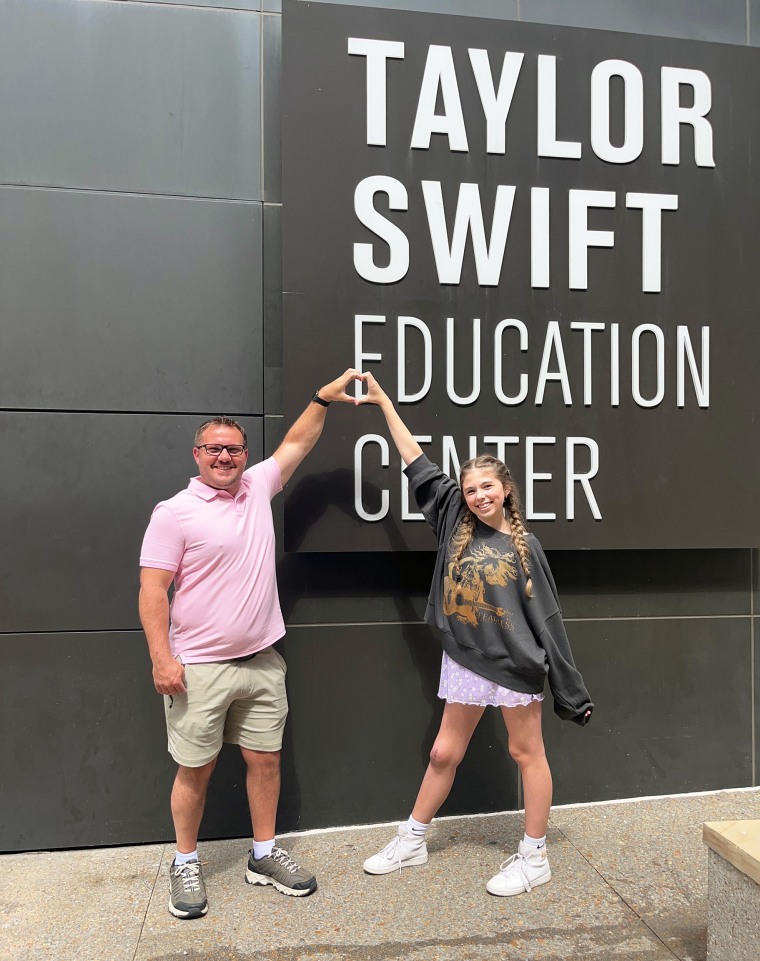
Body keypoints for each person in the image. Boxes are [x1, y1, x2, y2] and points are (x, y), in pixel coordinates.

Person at [358, 373, 593, 897]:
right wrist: (383, 403)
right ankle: (413, 839)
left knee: (524, 752)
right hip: (466, 659)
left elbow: (548, 621)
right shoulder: (451, 522)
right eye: (469, 489)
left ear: (506, 489)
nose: (477, 494)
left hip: (516, 665)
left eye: (486, 485)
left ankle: (534, 857)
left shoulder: (526, 545)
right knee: (444, 753)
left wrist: (571, 693)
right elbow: (414, 459)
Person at [138, 369, 362, 920]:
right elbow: (152, 591)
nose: (225, 457)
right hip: (199, 670)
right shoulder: (174, 513)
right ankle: (185, 862)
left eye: (234, 449)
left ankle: (262, 854)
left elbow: (298, 442)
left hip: (262, 662)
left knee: (265, 761)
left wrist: (320, 398)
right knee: (196, 769)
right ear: (197, 454)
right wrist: (161, 658)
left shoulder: (257, 486)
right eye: (214, 449)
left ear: (244, 454)